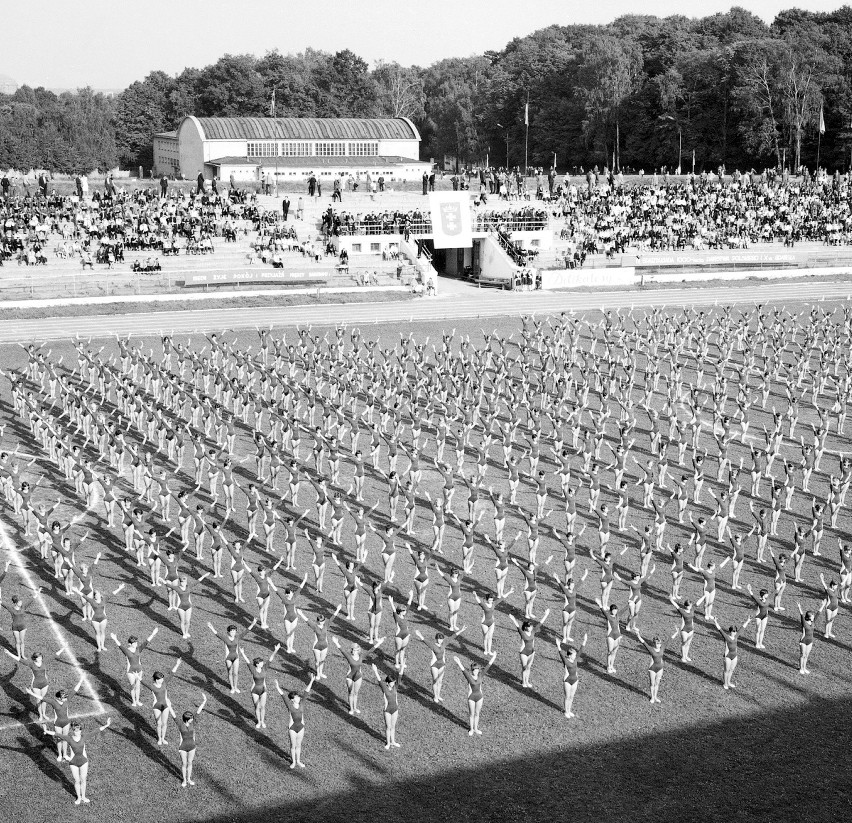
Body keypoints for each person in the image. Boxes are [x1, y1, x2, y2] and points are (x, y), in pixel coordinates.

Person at [42, 717, 112, 804]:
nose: (78, 732)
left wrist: (107, 725)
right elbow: (56, 734)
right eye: (75, 730)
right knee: (77, 780)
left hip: (83, 762)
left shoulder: (84, 737)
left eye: (79, 730)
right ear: (73, 730)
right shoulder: (69, 738)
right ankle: (78, 797)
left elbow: (96, 731)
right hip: (73, 763)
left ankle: (83, 796)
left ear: (81, 730)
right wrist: (46, 730)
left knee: (83, 779)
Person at [274, 674, 315, 768]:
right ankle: (293, 762)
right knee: (293, 745)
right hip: (292, 728)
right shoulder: (290, 706)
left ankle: (299, 761)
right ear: (292, 699)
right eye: (296, 697)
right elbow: (283, 695)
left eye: (298, 696)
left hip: (301, 727)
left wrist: (311, 681)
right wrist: (277, 686)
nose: (299, 697)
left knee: (299, 745)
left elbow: (306, 692)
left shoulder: (302, 703)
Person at [453, 652, 497, 735]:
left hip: (479, 697)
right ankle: (471, 729)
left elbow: (488, 666)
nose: (476, 671)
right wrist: (458, 662)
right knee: (471, 714)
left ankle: (476, 728)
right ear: (472, 670)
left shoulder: (481, 675)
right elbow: (463, 671)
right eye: (474, 670)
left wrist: (494, 657)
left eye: (477, 669)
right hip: (471, 697)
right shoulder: (469, 677)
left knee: (477, 714)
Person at [173, 693, 207, 787]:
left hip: (192, 746)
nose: (192, 719)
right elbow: (174, 716)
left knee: (190, 763)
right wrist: (168, 704)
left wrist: (204, 701)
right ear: (187, 719)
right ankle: (184, 780)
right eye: (191, 718)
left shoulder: (193, 723)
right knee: (184, 763)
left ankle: (189, 779)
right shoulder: (180, 724)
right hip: (183, 747)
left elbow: (198, 712)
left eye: (192, 718)